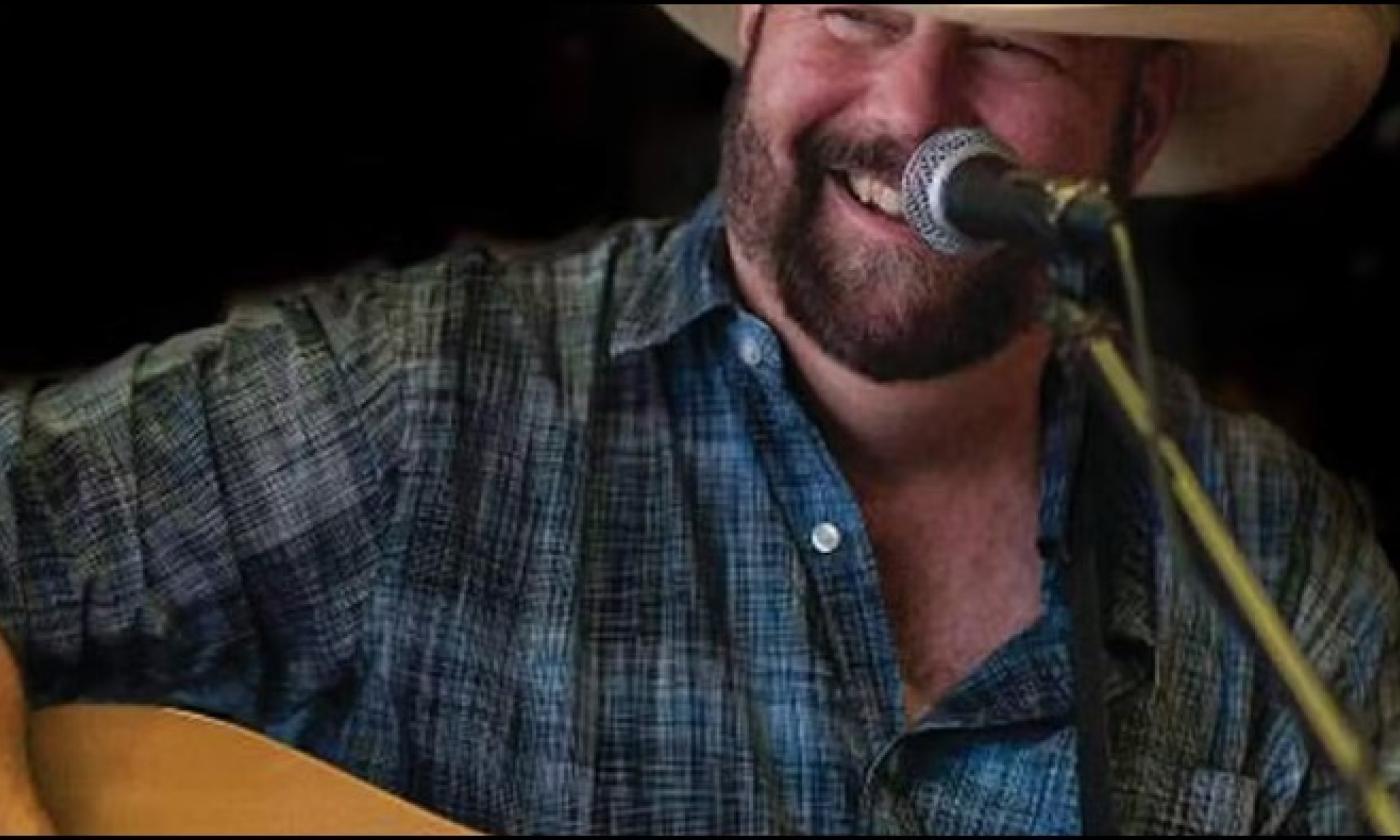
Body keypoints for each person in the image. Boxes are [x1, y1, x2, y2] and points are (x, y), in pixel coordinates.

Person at [3, 4, 1398, 834]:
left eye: (1014, 43)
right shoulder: (421, 402)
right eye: (855, 6)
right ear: (757, 29)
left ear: (1140, 119)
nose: (913, 109)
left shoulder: (1278, 571)